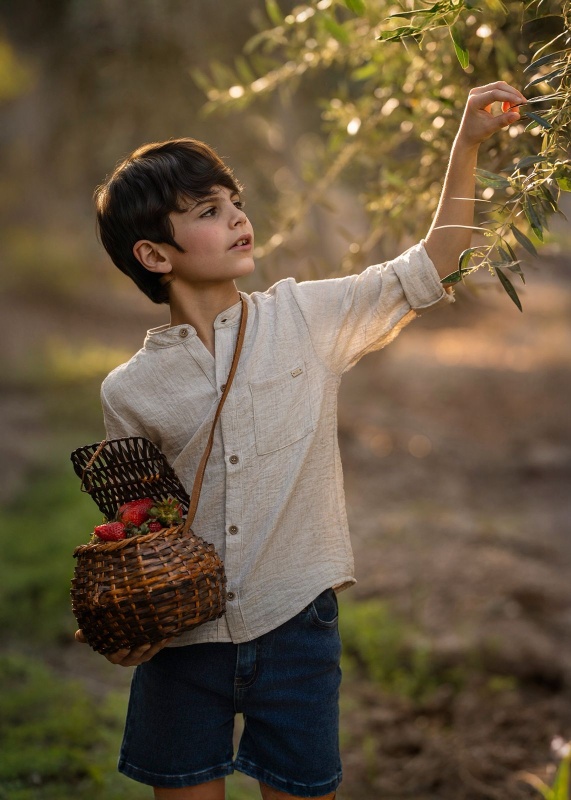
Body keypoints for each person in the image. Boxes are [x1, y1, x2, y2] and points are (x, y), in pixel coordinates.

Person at [75, 81, 527, 800]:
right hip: (184, 643)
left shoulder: (305, 317)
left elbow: (431, 263)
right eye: (207, 211)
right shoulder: (129, 391)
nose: (237, 220)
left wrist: (466, 145)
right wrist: (127, 607)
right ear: (154, 256)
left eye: (236, 203)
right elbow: (141, 526)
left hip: (296, 625)